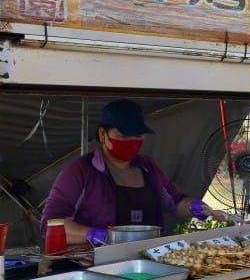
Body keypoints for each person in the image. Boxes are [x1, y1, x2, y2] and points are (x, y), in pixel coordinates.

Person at [40, 99, 228, 247]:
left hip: (149, 256)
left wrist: (194, 207)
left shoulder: (148, 167)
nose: (131, 142)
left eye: (137, 136)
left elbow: (175, 201)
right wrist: (91, 234)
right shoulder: (80, 171)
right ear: (103, 134)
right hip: (95, 264)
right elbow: (50, 225)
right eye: (123, 136)